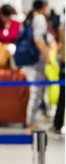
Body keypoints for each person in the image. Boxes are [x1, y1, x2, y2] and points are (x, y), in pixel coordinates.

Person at [22, 0, 57, 133]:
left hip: (31, 60)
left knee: (37, 93)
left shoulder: (31, 17)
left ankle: (33, 122)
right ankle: (30, 123)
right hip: (36, 61)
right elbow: (38, 39)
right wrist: (48, 56)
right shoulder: (39, 18)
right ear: (43, 6)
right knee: (35, 93)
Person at [52, 10, 65, 140]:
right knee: (62, 96)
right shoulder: (62, 27)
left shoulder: (61, 26)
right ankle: (57, 124)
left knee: (62, 96)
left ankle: (57, 125)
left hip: (63, 63)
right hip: (64, 63)